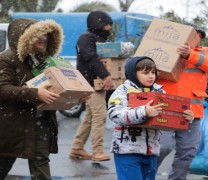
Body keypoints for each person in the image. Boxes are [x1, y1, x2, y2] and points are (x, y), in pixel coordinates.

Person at [107, 56, 194, 180]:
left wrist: (185, 117)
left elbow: (167, 118)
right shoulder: (123, 91)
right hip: (127, 150)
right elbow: (114, 114)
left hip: (151, 152)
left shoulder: (160, 92)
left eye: (153, 72)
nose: (151, 76)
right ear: (133, 73)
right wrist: (143, 112)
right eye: (145, 72)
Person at [156, 23, 208, 180]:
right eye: (193, 34)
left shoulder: (205, 52)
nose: (196, 38)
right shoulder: (165, 49)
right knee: (162, 147)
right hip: (166, 107)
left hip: (192, 112)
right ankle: (147, 174)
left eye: (199, 35)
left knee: (187, 152)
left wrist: (190, 55)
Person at [0, 18, 63, 179]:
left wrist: (72, 95)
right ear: (23, 37)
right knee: (4, 161)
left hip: (40, 121)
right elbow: (2, 89)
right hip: (12, 124)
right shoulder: (6, 58)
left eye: (45, 35)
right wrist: (35, 93)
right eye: (37, 35)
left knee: (41, 161)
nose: (43, 38)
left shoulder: (43, 60)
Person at [69, 11, 114, 161]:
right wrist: (105, 75)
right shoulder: (86, 38)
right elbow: (91, 58)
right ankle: (98, 151)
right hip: (89, 84)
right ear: (98, 23)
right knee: (100, 116)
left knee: (89, 117)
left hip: (97, 84)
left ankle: (77, 148)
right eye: (107, 24)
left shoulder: (99, 39)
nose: (109, 27)